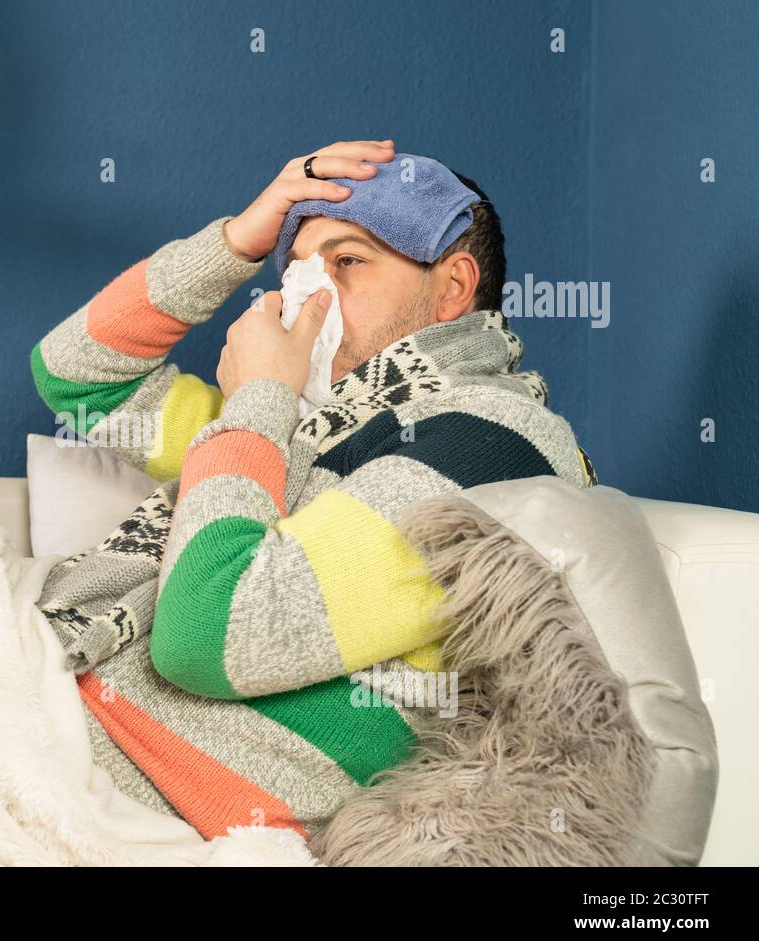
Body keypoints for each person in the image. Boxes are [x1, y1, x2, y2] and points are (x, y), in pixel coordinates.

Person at [29, 139, 598, 841]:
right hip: (53, 727)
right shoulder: (302, 432)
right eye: (295, 269)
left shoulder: (492, 438)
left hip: (117, 790)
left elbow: (205, 635)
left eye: (347, 261)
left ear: (452, 287)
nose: (304, 294)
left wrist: (260, 399)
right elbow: (75, 377)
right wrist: (239, 239)